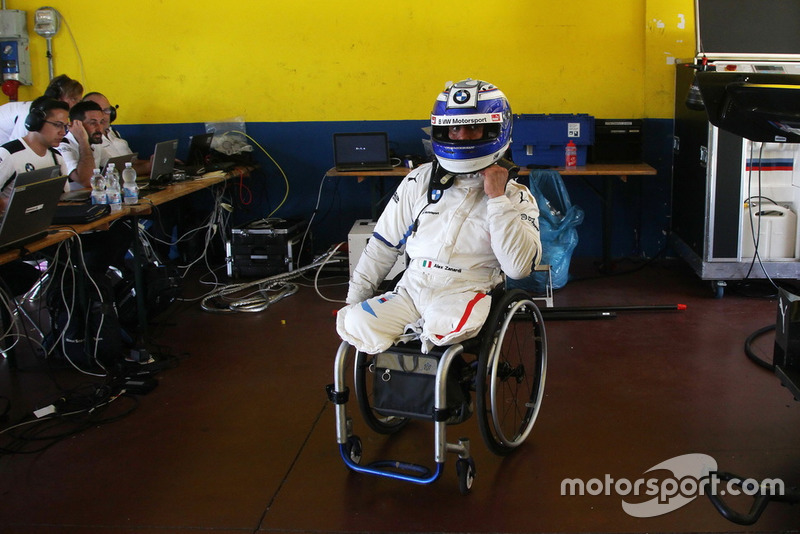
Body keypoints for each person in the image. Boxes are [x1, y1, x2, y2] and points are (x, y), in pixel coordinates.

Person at [336, 78, 541, 354]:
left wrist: (496, 198)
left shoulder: (516, 197)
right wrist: (355, 300)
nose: (463, 137)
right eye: (455, 128)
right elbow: (383, 245)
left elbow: (518, 268)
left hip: (465, 291)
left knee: (446, 327)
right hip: (411, 289)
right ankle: (412, 351)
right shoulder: (419, 180)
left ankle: (427, 355)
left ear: (496, 129)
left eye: (474, 128)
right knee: (355, 321)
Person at [0, 74, 83, 145]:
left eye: (78, 101)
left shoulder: (44, 112)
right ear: (56, 96)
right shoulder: (31, 113)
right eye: (73, 99)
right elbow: (16, 145)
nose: (76, 105)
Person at [81, 92, 152, 175]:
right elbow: (117, 169)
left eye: (107, 110)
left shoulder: (113, 133)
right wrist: (149, 167)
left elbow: (132, 162)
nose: (104, 116)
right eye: (99, 111)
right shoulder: (94, 141)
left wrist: (153, 162)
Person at [57, 100, 108, 188]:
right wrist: (83, 141)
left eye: (101, 122)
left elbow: (114, 167)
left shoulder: (94, 142)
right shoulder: (62, 146)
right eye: (93, 123)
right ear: (77, 125)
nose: (99, 128)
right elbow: (88, 181)